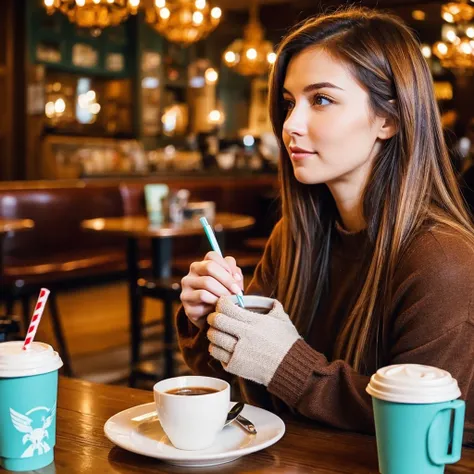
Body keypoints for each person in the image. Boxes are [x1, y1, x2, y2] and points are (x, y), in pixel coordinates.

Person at [177, 7, 474, 445]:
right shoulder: (294, 237)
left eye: (321, 99)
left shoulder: (443, 261)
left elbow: (429, 431)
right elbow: (236, 377)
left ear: (388, 119)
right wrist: (209, 320)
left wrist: (288, 364)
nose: (290, 125)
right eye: (289, 103)